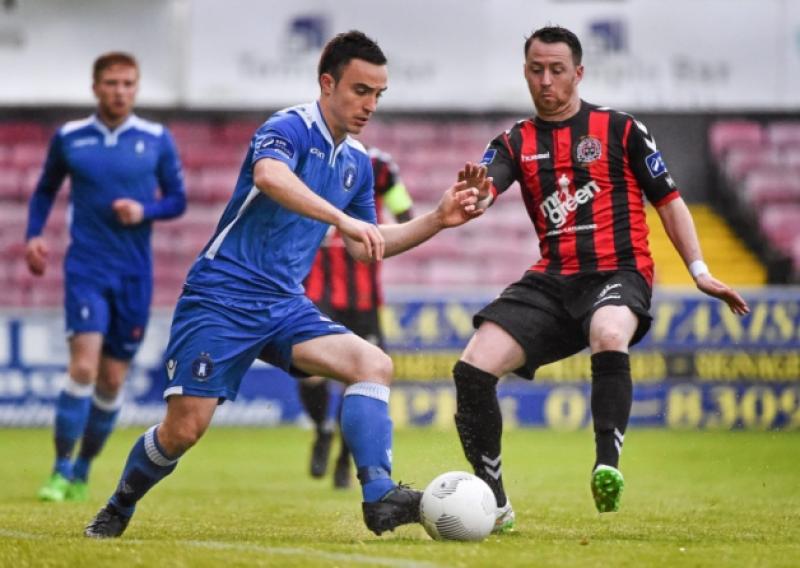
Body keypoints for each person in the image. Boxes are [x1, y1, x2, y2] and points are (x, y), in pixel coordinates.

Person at [84, 30, 486, 539]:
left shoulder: (357, 162)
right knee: (183, 430)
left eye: (378, 94)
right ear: (327, 82)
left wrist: (438, 218)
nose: (370, 105)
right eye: (360, 90)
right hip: (220, 298)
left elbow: (364, 245)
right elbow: (271, 177)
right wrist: (341, 220)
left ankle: (378, 494)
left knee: (373, 364)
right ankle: (119, 505)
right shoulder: (288, 127)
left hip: (284, 305)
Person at [451, 26, 750, 532]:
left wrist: (700, 271)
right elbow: (486, 187)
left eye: (557, 70)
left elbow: (670, 202)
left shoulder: (621, 129)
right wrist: (475, 198)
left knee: (609, 333)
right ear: (526, 72)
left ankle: (606, 464)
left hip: (619, 271)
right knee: (472, 369)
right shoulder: (512, 141)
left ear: (579, 73)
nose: (546, 81)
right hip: (552, 279)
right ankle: (494, 502)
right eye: (536, 70)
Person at [26, 52, 187, 503]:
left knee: (112, 380)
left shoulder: (156, 139)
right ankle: (58, 470)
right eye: (112, 83)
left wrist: (145, 211)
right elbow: (44, 190)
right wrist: (34, 235)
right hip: (87, 268)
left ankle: (81, 470)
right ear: (96, 87)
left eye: (128, 83)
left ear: (136, 89)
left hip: (134, 274)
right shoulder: (71, 138)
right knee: (82, 366)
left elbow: (177, 200)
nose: (120, 91)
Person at [300, 147, 413, 489]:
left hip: (364, 299)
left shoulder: (381, 166)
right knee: (309, 374)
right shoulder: (308, 159)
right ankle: (322, 429)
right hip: (319, 291)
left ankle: (344, 461)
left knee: (361, 379)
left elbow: (405, 212)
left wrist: (378, 229)